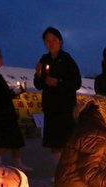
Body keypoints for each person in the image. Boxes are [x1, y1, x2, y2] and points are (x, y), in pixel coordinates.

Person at [34, 27, 82, 167]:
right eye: (47, 41)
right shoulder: (44, 59)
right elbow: (38, 85)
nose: (51, 43)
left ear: (60, 41)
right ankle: (59, 172)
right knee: (54, 143)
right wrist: (38, 75)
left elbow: (76, 83)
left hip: (65, 107)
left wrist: (59, 82)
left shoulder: (67, 60)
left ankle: (69, 171)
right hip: (50, 107)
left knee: (67, 142)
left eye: (54, 40)